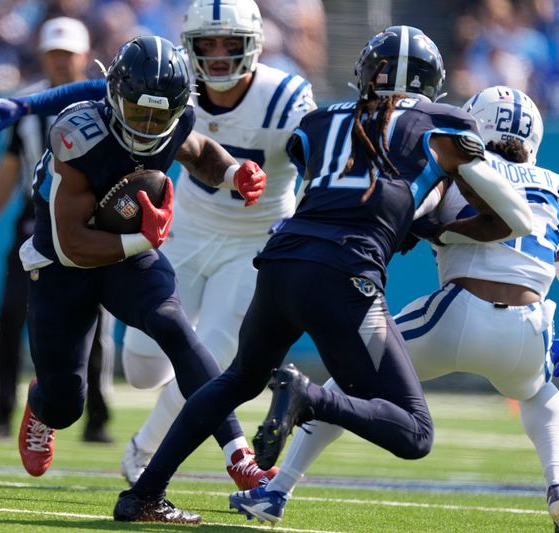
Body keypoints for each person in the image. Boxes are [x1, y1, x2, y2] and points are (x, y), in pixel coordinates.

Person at [111, 26, 534, 523]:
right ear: (432, 84)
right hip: (345, 277)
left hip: (281, 263)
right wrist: (447, 231)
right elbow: (517, 218)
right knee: (415, 433)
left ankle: (142, 494)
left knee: (237, 379)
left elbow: (345, 184)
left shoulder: (322, 122)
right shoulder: (443, 126)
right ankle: (308, 398)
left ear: (364, 76)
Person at [0, 0, 316, 486]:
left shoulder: (180, 117)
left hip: (131, 249)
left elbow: (200, 153)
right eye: (138, 113)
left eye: (161, 117)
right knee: (67, 403)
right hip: (65, 264)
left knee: (178, 333)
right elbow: (70, 244)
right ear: (114, 97)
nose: (149, 127)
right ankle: (42, 402)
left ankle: (237, 454)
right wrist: (141, 239)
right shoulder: (77, 134)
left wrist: (234, 174)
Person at [233, 86, 559, 533]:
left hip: (455, 313)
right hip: (528, 332)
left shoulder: (459, 167)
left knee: (348, 382)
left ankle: (276, 492)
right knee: (541, 394)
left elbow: (401, 216)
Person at [0, 16, 115, 445]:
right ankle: (1, 411)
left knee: (96, 322)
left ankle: (97, 415)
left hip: (92, 226)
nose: (60, 62)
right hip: (37, 224)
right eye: (53, 54)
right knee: (12, 315)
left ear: (85, 56)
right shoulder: (27, 106)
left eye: (67, 54)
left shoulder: (103, 103)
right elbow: (9, 167)